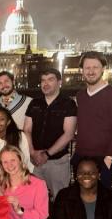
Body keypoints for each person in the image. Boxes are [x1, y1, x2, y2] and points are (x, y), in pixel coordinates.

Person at [74, 51, 112, 188]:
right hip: (80, 157)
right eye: (87, 68)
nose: (91, 71)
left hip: (103, 159)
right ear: (82, 71)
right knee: (80, 198)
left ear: (103, 69)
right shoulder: (80, 96)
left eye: (95, 67)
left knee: (102, 200)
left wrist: (109, 158)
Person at [24, 68, 77, 200]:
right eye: (43, 80)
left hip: (57, 161)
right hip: (35, 160)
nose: (45, 83)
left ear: (59, 82)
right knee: (34, 198)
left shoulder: (69, 104)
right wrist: (32, 152)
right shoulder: (34, 103)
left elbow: (69, 134)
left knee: (60, 198)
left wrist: (47, 154)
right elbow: (27, 129)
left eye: (50, 80)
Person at [0, 107, 33, 182]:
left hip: (19, 179)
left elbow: (25, 160)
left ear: (8, 122)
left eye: (1, 119)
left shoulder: (19, 136)